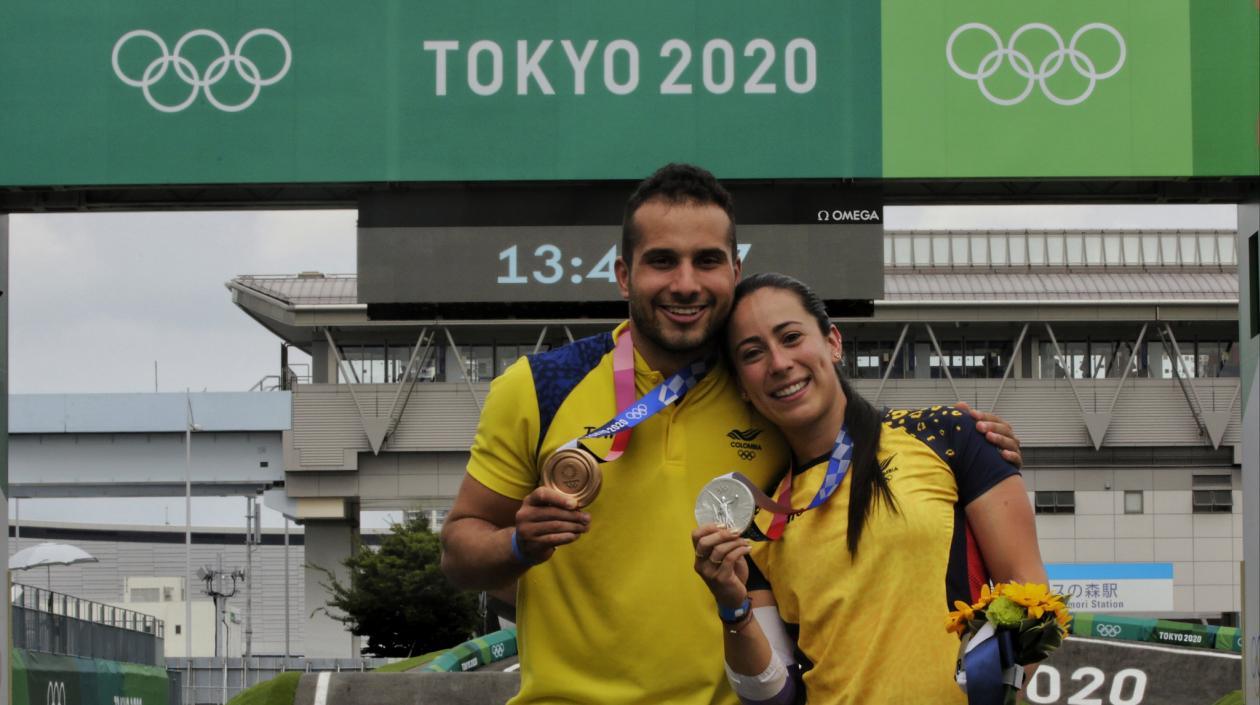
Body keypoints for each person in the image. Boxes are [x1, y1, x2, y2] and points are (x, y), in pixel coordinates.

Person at [440, 163, 1025, 705]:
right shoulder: (539, 387)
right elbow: (459, 552)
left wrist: (967, 441)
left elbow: (847, 433)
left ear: (734, 271)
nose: (686, 283)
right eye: (662, 261)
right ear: (623, 275)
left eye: (707, 260)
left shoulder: (763, 390)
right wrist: (518, 545)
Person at [692, 273, 1046, 704]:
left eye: (791, 337)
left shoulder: (949, 435)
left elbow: (1031, 598)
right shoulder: (760, 522)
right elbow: (774, 695)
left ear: (832, 342)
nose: (779, 362)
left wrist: (992, 685)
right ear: (742, 388)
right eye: (753, 353)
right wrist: (734, 608)